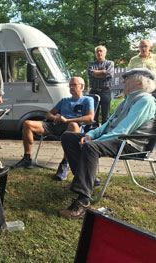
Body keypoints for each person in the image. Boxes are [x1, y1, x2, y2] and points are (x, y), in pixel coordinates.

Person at [60, 68, 156, 219]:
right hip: (117, 139)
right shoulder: (126, 100)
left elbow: (124, 130)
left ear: (139, 81)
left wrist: (93, 142)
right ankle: (89, 180)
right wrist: (90, 135)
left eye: (126, 78)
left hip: (130, 143)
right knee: (68, 137)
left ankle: (83, 201)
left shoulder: (145, 100)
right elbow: (106, 126)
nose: (123, 81)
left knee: (90, 146)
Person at [12, 77, 95, 181]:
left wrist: (68, 120)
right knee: (27, 123)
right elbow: (48, 114)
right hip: (56, 125)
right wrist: (55, 118)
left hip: (72, 128)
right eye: (70, 85)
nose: (71, 87)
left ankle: (64, 163)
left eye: (74, 85)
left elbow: (90, 118)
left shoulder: (88, 100)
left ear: (81, 86)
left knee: (73, 125)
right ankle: (27, 158)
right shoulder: (64, 100)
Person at [87, 45, 114, 126]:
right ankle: (94, 131)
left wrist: (95, 74)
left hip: (105, 91)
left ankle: (104, 132)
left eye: (101, 51)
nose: (99, 53)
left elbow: (109, 75)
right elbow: (90, 73)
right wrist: (103, 72)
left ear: (105, 53)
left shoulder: (110, 63)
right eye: (97, 51)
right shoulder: (91, 64)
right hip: (93, 91)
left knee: (105, 115)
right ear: (95, 54)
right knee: (93, 114)